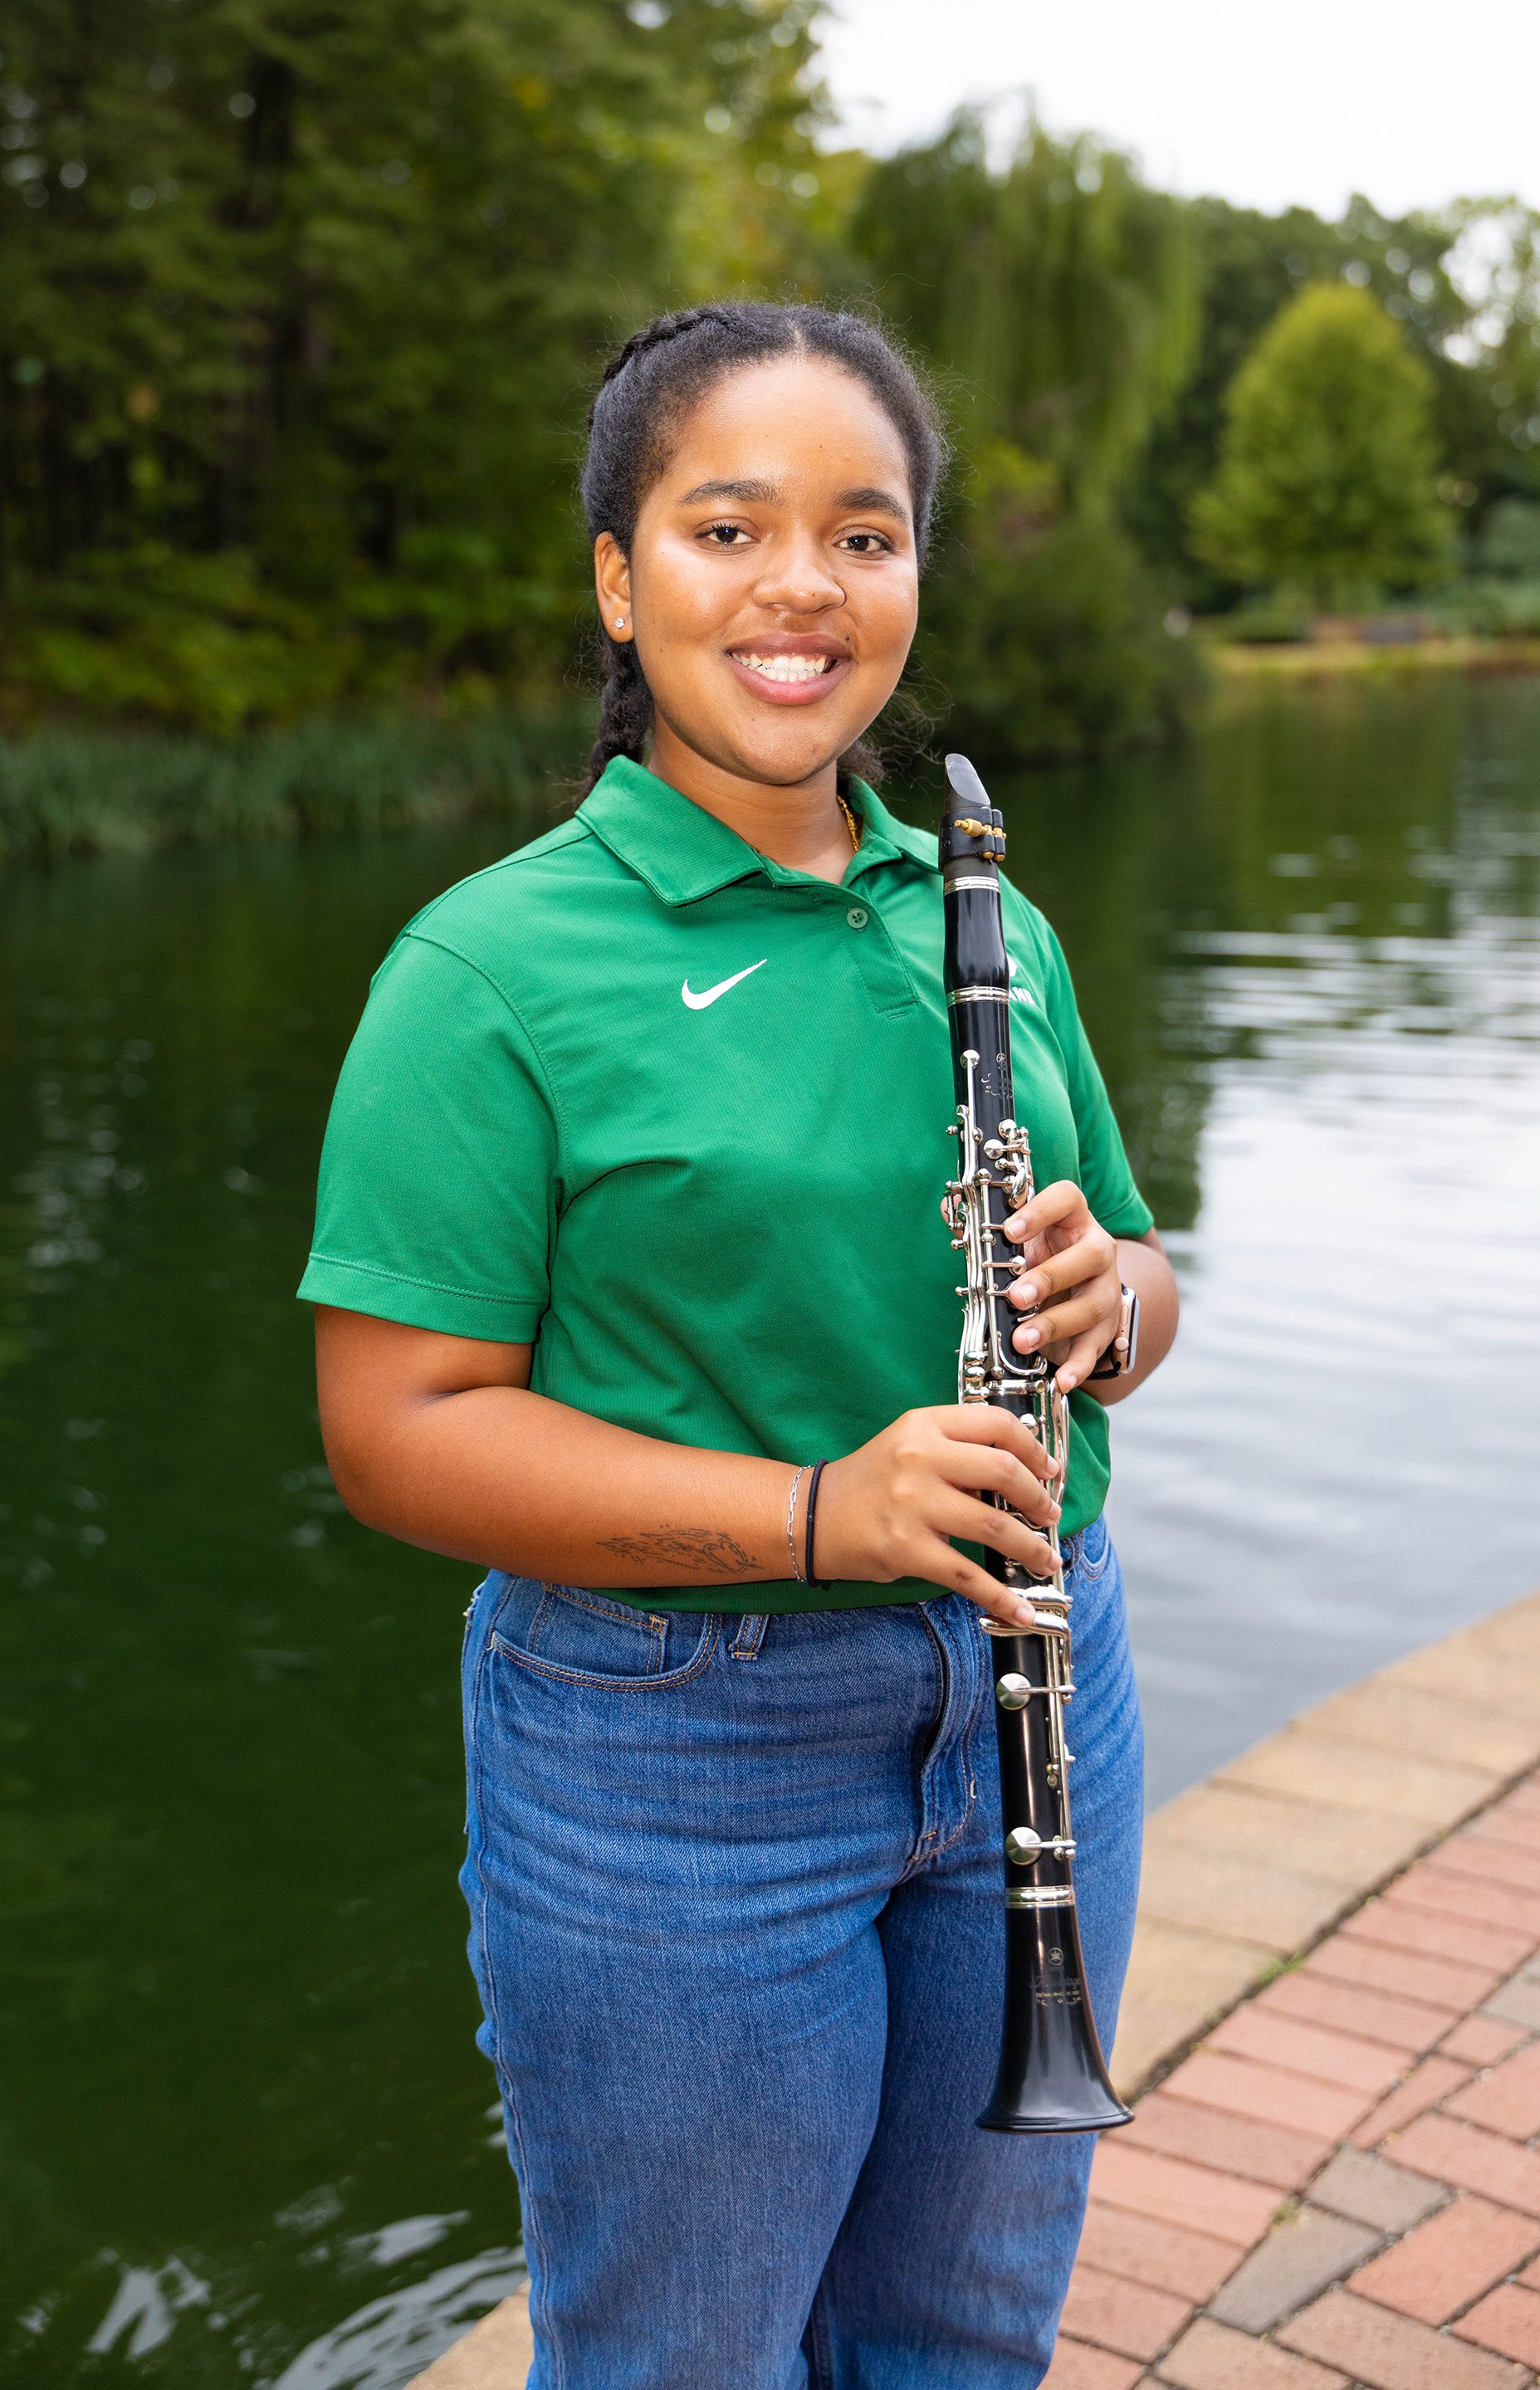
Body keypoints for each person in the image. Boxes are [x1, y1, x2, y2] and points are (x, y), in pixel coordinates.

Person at [300, 301, 1179, 2390]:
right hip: (668, 1749)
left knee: (965, 2329)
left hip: (1041, 1680)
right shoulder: (490, 966)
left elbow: (1142, 1264)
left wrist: (1111, 1303)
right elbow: (395, 1433)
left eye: (864, 537)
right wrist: (818, 1507)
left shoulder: (985, 908)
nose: (802, 588)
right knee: (685, 2354)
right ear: (621, 579)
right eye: (728, 528)